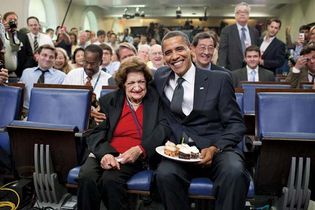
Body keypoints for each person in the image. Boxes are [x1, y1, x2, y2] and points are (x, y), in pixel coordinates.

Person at [154, 31, 249, 210]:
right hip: (180, 151)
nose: (174, 56)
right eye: (168, 52)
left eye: (179, 49)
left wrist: (215, 148)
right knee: (165, 174)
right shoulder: (160, 77)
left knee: (234, 172)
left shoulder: (219, 79)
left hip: (216, 148)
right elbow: (133, 85)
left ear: (190, 49)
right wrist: (101, 107)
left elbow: (236, 124)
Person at [77, 56, 170, 210]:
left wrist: (141, 149)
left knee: (110, 179)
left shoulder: (156, 100)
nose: (137, 87)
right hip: (106, 151)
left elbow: (164, 128)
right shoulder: (109, 101)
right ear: (123, 84)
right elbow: (96, 132)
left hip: (134, 155)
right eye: (131, 83)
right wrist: (105, 154)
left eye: (141, 82)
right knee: (86, 176)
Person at [19, 44, 65, 110]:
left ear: (54, 60)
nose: (47, 59)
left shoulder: (61, 76)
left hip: (50, 112)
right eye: (44, 55)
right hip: (26, 112)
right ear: (37, 56)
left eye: (51, 57)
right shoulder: (26, 72)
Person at [218, 2, 259, 70]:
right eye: (239, 12)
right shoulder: (227, 30)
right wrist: (222, 67)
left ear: (248, 15)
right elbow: (223, 50)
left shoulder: (255, 32)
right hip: (232, 68)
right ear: (235, 15)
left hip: (251, 67)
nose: (242, 14)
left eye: (245, 12)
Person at [2, 11, 34, 78]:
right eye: (10, 20)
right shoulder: (1, 34)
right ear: (4, 21)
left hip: (18, 74)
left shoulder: (23, 36)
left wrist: (24, 69)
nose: (13, 22)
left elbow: (29, 54)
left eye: (15, 20)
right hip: (2, 73)